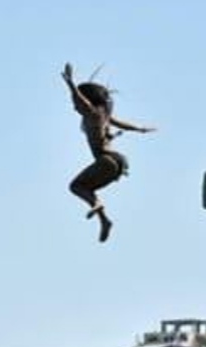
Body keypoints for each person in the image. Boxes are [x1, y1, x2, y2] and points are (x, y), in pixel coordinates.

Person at [61, 62, 155, 243]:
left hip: (106, 161)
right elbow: (121, 123)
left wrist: (70, 84)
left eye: (76, 103)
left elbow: (80, 100)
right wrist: (140, 128)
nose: (74, 106)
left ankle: (98, 205)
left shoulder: (91, 113)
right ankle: (105, 220)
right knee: (87, 188)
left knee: (76, 187)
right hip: (118, 163)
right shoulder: (104, 116)